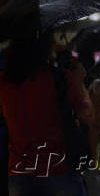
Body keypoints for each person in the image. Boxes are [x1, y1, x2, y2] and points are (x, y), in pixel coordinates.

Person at [0, 34, 94, 196]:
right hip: (58, 169)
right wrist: (78, 79)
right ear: (43, 46)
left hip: (19, 172)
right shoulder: (59, 78)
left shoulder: (3, 83)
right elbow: (88, 115)